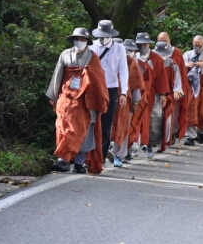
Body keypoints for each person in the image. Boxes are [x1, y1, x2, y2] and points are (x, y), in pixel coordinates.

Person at [48, 28, 110, 174]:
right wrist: (53, 96)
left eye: (83, 40)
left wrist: (99, 101)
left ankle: (79, 163)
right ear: (73, 40)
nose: (80, 42)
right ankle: (63, 161)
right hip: (67, 98)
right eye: (78, 39)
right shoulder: (65, 55)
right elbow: (57, 76)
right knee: (64, 128)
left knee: (85, 131)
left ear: (87, 42)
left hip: (85, 101)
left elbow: (98, 81)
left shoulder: (93, 58)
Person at [90, 20, 128, 166]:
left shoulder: (119, 48)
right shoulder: (91, 46)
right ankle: (88, 154)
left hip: (111, 87)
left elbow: (123, 71)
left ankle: (101, 156)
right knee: (91, 122)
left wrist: (123, 92)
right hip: (93, 88)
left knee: (106, 125)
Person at [110, 39, 144, 167]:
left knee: (123, 127)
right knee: (108, 126)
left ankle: (119, 155)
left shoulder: (132, 63)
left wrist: (135, 101)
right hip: (110, 97)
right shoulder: (111, 58)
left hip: (126, 100)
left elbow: (136, 85)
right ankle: (107, 152)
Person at [157, 31, 190, 145]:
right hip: (155, 90)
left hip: (171, 90)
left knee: (171, 114)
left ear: (169, 41)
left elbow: (180, 73)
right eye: (160, 41)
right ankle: (153, 139)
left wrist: (178, 90)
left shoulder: (176, 54)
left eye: (164, 41)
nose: (162, 43)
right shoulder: (153, 54)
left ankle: (169, 136)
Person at [154, 40, 184, 148]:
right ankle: (150, 142)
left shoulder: (172, 64)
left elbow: (178, 80)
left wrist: (177, 90)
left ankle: (163, 141)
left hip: (168, 94)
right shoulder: (151, 62)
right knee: (153, 118)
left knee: (166, 119)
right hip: (153, 94)